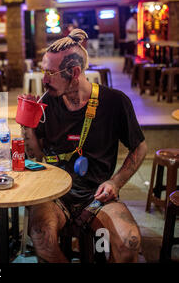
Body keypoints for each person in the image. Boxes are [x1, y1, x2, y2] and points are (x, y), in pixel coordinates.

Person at [23, 29, 148, 263]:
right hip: (55, 194)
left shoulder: (114, 102)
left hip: (97, 195)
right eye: (43, 71)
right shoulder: (46, 102)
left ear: (75, 72)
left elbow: (139, 147)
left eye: (51, 72)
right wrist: (27, 126)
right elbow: (36, 155)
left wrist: (115, 182)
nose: (44, 80)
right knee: (41, 237)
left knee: (129, 243)